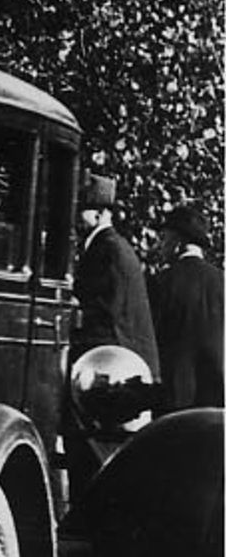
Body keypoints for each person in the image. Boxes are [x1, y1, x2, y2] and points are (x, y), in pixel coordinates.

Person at [74, 172, 161, 374]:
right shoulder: (108, 245)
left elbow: (107, 313)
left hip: (119, 364)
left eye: (82, 209)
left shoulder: (109, 250)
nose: (76, 216)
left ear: (100, 213)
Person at [150, 202, 221, 416]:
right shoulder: (223, 282)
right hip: (217, 395)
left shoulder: (161, 283)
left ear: (178, 241)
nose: (160, 245)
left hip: (173, 397)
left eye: (164, 238)